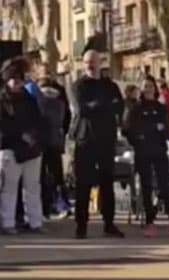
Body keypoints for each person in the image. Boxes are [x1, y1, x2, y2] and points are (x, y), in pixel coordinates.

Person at [71, 50, 125, 239]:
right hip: (85, 139)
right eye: (86, 62)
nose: (90, 65)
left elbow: (119, 105)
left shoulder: (109, 85)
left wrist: (99, 105)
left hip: (106, 138)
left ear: (100, 62)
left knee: (107, 181)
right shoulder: (79, 85)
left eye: (93, 61)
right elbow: (82, 109)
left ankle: (109, 223)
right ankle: (81, 225)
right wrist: (104, 105)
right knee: (83, 183)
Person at [124, 75, 169, 238]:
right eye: (145, 86)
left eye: (150, 86)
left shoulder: (161, 108)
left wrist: (161, 132)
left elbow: (167, 129)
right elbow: (127, 129)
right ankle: (150, 222)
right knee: (146, 186)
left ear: (155, 88)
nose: (148, 89)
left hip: (159, 151)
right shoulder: (135, 109)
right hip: (142, 152)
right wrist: (138, 139)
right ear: (141, 89)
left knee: (165, 185)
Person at [0, 57, 45, 234]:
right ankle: (8, 223)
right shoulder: (2, 101)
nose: (17, 84)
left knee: (33, 187)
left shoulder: (29, 99)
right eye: (14, 80)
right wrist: (21, 134)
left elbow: (39, 120)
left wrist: (35, 136)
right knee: (9, 188)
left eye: (20, 80)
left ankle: (35, 222)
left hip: (31, 149)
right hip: (10, 148)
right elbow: (4, 124)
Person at [36, 77, 70, 220]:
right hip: (56, 142)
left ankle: (44, 208)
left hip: (40, 142)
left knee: (41, 177)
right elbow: (67, 121)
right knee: (58, 176)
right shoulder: (61, 103)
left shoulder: (38, 101)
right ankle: (62, 204)